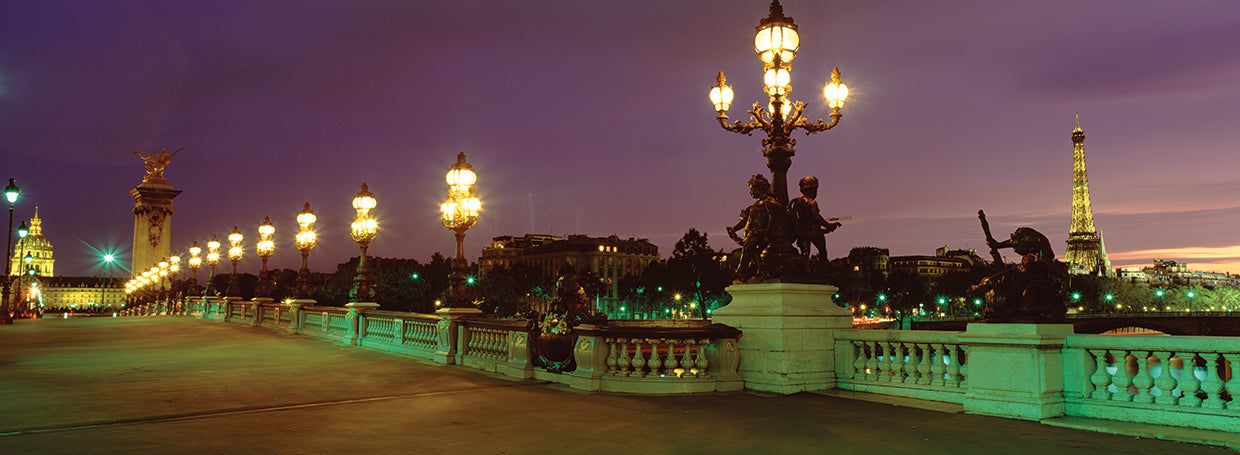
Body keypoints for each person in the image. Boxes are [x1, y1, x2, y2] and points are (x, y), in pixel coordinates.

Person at [970, 227, 1069, 322]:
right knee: (991, 280)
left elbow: (1063, 274)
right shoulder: (1028, 239)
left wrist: (1063, 289)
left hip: (1035, 281)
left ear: (1029, 247)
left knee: (1026, 308)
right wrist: (998, 245)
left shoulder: (1044, 258)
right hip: (1019, 272)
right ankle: (982, 287)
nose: (1015, 251)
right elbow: (1014, 242)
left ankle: (1050, 308)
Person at [789, 176, 841, 262]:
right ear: (812, 190)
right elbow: (816, 217)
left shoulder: (797, 201)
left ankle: (801, 267)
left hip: (802, 232)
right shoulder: (812, 203)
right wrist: (829, 226)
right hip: (815, 233)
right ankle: (823, 267)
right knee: (822, 252)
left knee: (805, 254)